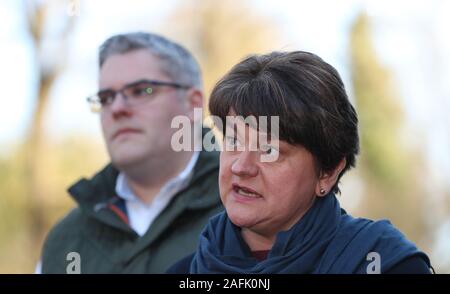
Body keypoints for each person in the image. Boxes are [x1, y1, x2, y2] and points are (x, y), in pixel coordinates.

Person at [168, 51, 433, 274]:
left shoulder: (385, 263)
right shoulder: (185, 272)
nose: (240, 166)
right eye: (234, 142)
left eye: (270, 150)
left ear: (327, 172)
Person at [38, 32, 223, 273]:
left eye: (141, 91)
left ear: (193, 104)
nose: (117, 108)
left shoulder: (254, 210)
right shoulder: (65, 241)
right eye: (106, 98)